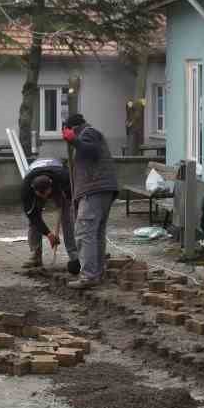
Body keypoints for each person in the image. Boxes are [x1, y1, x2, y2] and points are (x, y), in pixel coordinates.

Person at [63, 112, 117, 289]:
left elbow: (90, 150)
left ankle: (89, 276)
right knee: (96, 232)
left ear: (72, 128)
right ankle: (97, 273)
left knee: (85, 231)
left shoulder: (88, 133)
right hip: (102, 188)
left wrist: (73, 140)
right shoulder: (90, 133)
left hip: (94, 189)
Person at [21, 158, 80, 274]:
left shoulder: (64, 178)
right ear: (34, 190)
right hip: (36, 174)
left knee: (67, 218)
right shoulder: (26, 190)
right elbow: (33, 217)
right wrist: (49, 234)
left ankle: (74, 255)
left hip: (58, 179)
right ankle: (36, 256)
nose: (45, 198)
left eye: (46, 194)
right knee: (33, 222)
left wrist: (65, 202)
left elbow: (72, 197)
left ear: (51, 187)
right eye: (41, 195)